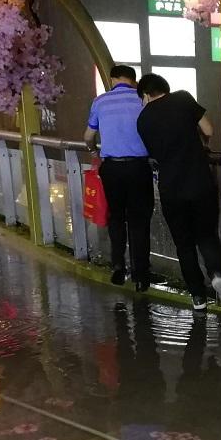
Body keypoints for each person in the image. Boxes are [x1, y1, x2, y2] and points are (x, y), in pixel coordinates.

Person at [136, 73, 221, 312]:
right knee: (206, 235)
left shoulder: (143, 119)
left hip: (171, 187)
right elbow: (208, 129)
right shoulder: (182, 98)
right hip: (200, 181)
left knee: (183, 244)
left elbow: (154, 153)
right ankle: (216, 273)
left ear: (146, 95)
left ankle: (198, 296)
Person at [84, 66, 154, 291]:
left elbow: (88, 136)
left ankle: (118, 265)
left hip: (112, 168)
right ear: (134, 80)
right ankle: (141, 275)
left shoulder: (100, 101)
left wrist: (94, 152)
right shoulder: (142, 99)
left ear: (113, 79)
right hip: (139, 167)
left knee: (116, 216)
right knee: (139, 220)